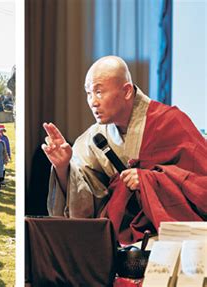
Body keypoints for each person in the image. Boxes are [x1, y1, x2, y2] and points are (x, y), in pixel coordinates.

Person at [43, 56, 207, 244]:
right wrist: (63, 167)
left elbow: (200, 184)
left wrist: (149, 180)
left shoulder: (170, 122)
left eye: (99, 92)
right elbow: (82, 202)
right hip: (115, 240)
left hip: (168, 237)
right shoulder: (93, 138)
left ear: (127, 91)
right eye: (89, 93)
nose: (93, 102)